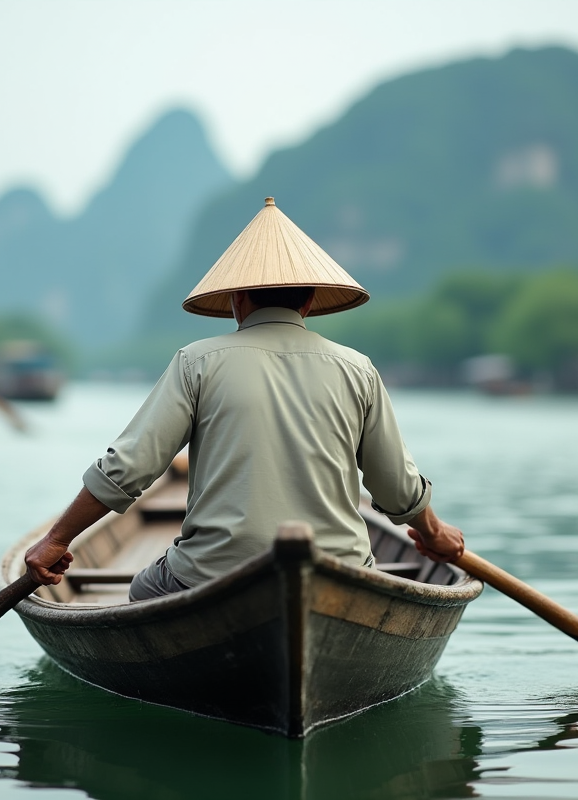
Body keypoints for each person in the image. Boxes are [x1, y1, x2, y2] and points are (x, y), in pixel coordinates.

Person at [24, 197, 464, 598]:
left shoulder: (197, 361)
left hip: (210, 576)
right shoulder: (358, 369)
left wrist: (57, 539)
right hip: (339, 573)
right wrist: (434, 532)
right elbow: (397, 489)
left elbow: (128, 468)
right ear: (310, 300)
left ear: (236, 298)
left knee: (142, 591)